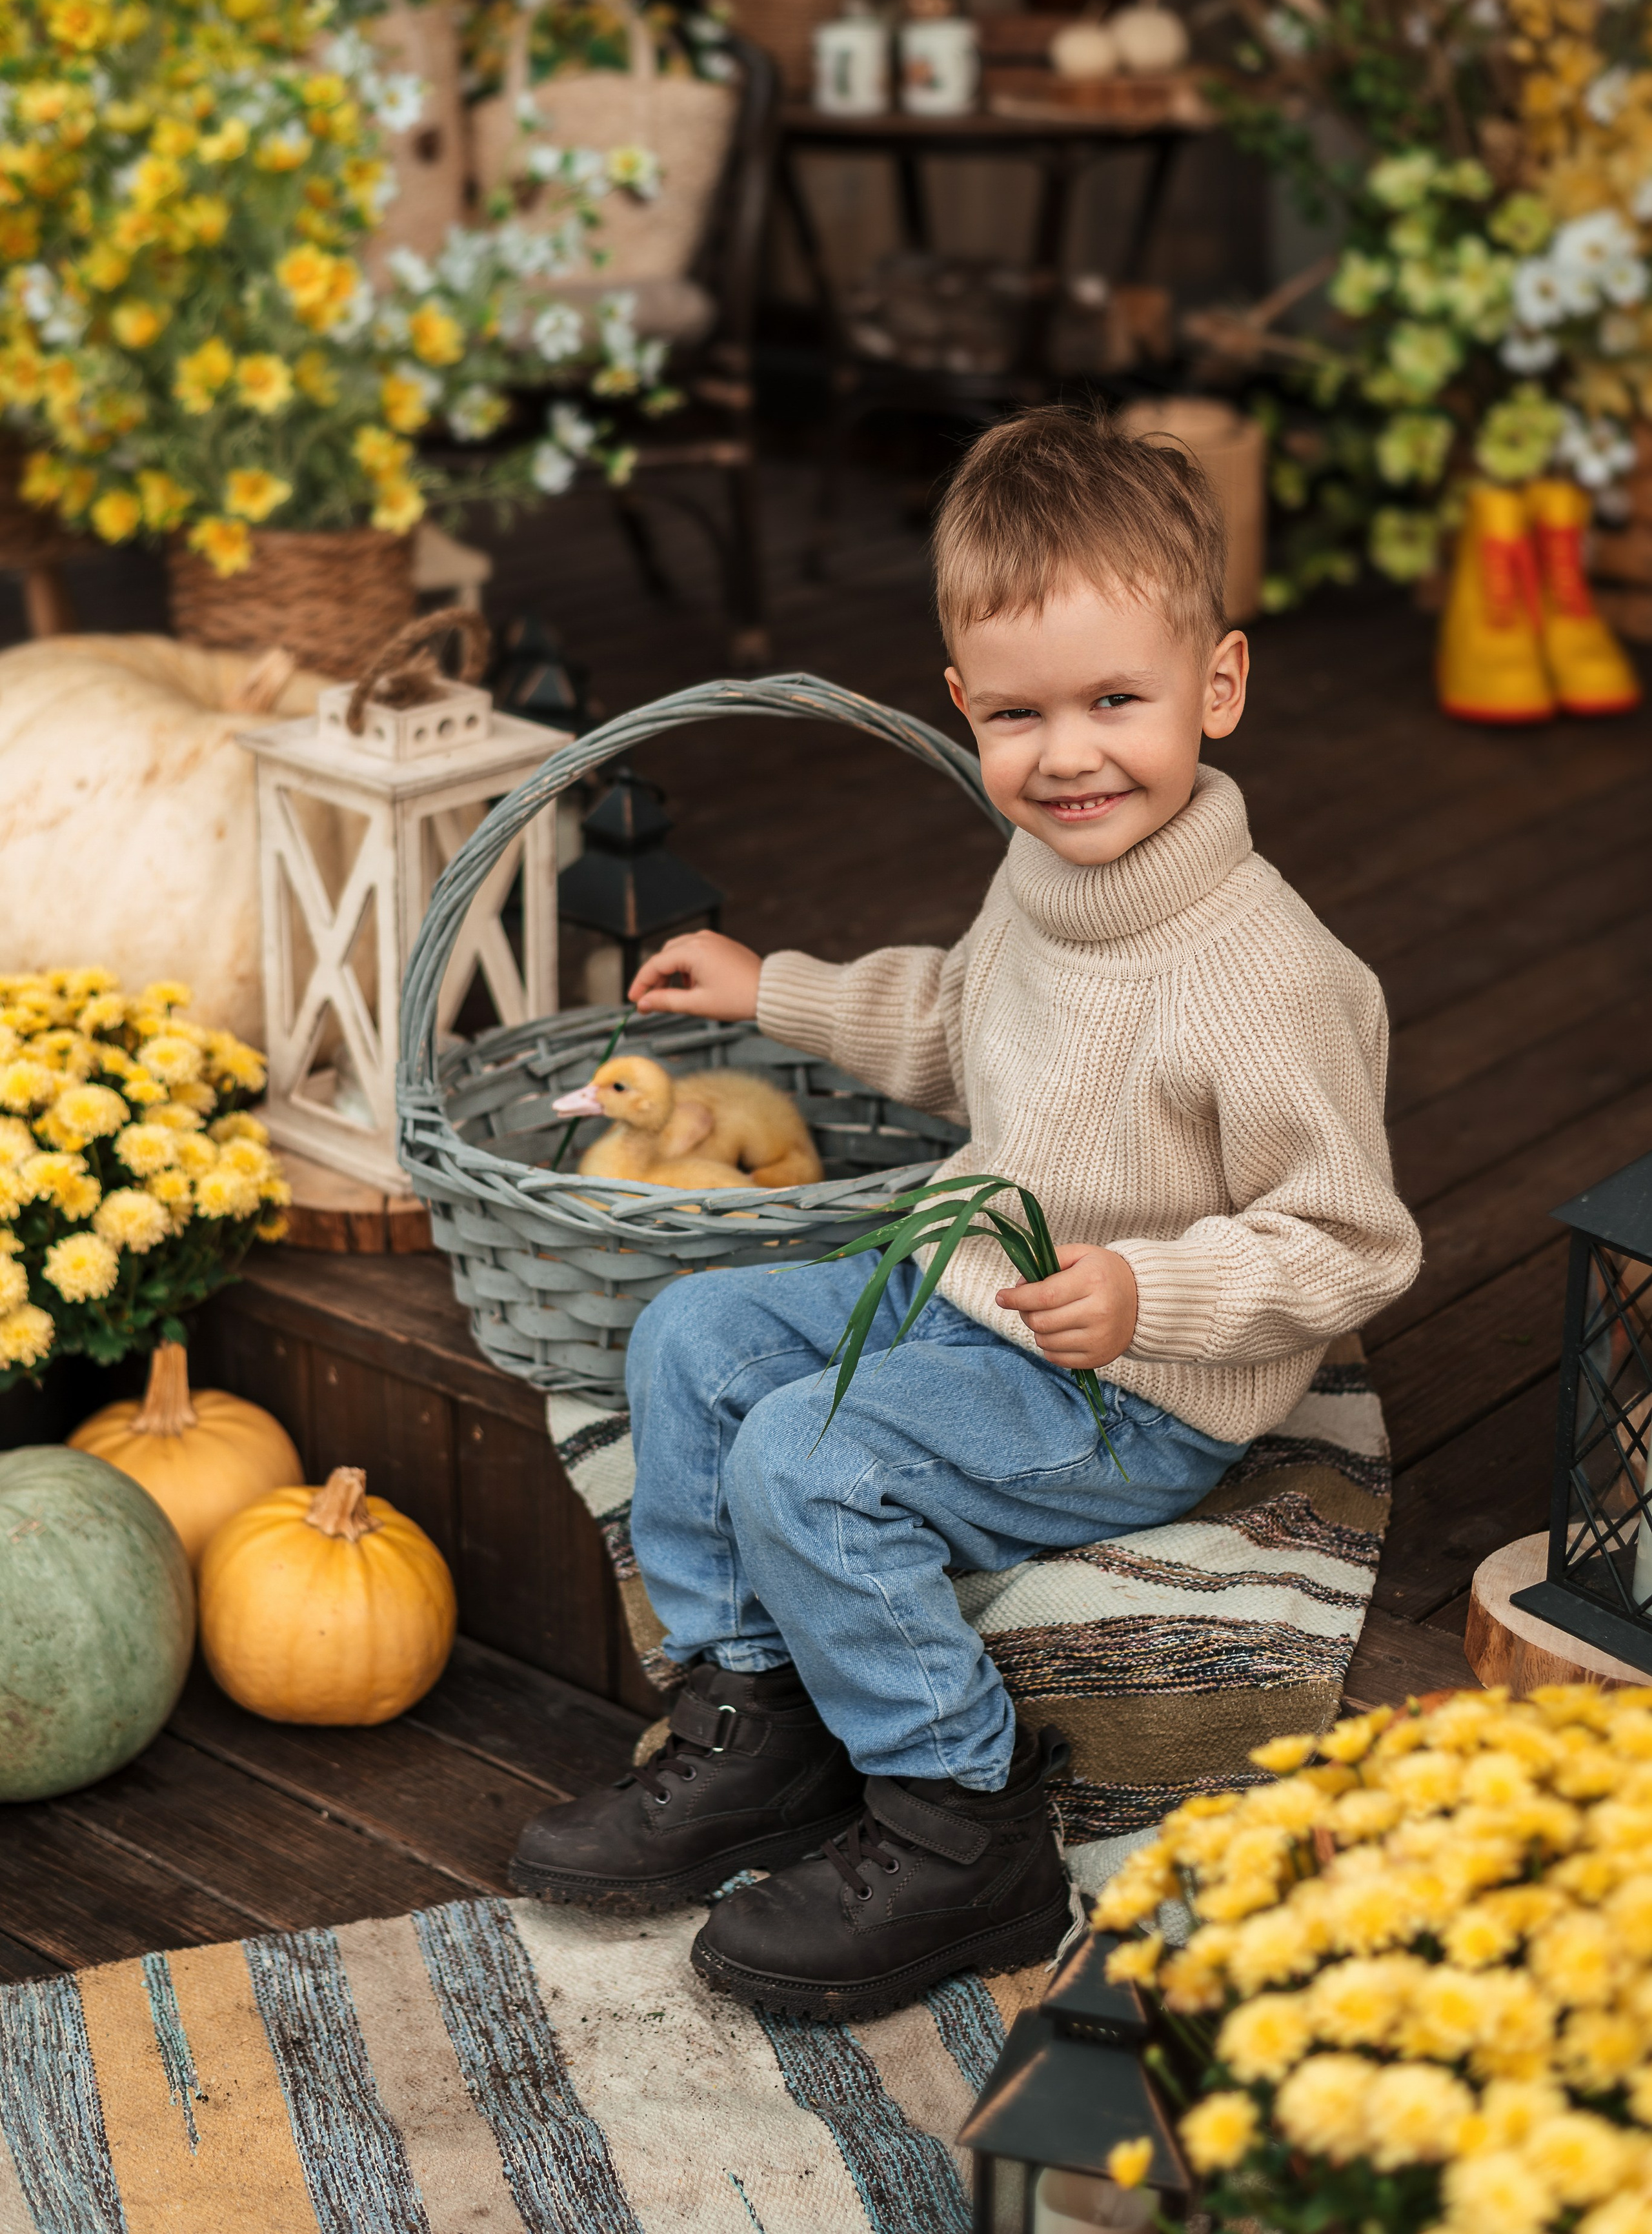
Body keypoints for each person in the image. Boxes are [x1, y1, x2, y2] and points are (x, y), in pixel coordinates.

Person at [510, 407, 1421, 2022]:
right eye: (1019, 715)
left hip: (1121, 1390)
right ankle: (761, 1720)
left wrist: (1150, 1292)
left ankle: (957, 1819)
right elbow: (953, 1022)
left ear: (1217, 683)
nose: (1066, 753)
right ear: (961, 708)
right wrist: (772, 989)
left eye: (1114, 702)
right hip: (961, 1296)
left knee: (808, 1454)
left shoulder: (1265, 977)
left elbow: (1349, 1238)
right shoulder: (1047, 870)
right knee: (693, 1335)